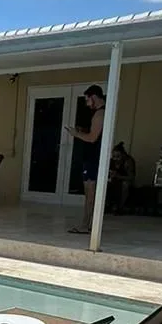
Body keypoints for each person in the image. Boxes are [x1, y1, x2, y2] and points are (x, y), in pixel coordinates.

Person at [67, 85, 106, 234]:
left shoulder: (99, 114)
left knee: (90, 194)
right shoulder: (101, 113)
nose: (87, 103)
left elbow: (92, 138)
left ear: (94, 97)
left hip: (93, 159)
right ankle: (89, 224)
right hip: (93, 158)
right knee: (91, 194)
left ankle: (85, 225)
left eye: (87, 100)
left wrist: (76, 134)